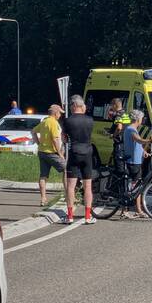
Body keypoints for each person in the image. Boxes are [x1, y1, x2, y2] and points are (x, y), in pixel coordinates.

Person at [62, 95, 96, 224]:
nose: (70, 107)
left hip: (74, 152)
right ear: (82, 106)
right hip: (87, 152)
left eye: (71, 105)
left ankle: (70, 215)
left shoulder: (67, 121)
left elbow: (64, 138)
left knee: (71, 186)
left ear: (74, 106)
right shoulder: (90, 120)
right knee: (88, 185)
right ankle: (87, 216)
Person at [122, 110, 152, 218]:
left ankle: (138, 210)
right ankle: (126, 210)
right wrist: (149, 140)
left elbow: (137, 144)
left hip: (136, 161)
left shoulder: (133, 129)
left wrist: (143, 152)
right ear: (138, 119)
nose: (142, 120)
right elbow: (138, 140)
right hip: (133, 162)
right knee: (133, 186)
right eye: (142, 118)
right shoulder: (130, 129)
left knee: (137, 186)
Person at [32, 104, 65, 206]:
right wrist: (60, 153)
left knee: (43, 176)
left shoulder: (45, 122)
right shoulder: (53, 123)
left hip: (42, 152)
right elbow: (55, 139)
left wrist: (39, 143)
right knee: (67, 170)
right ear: (56, 113)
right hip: (52, 153)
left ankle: (43, 199)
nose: (60, 115)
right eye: (60, 113)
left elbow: (33, 132)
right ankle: (69, 196)